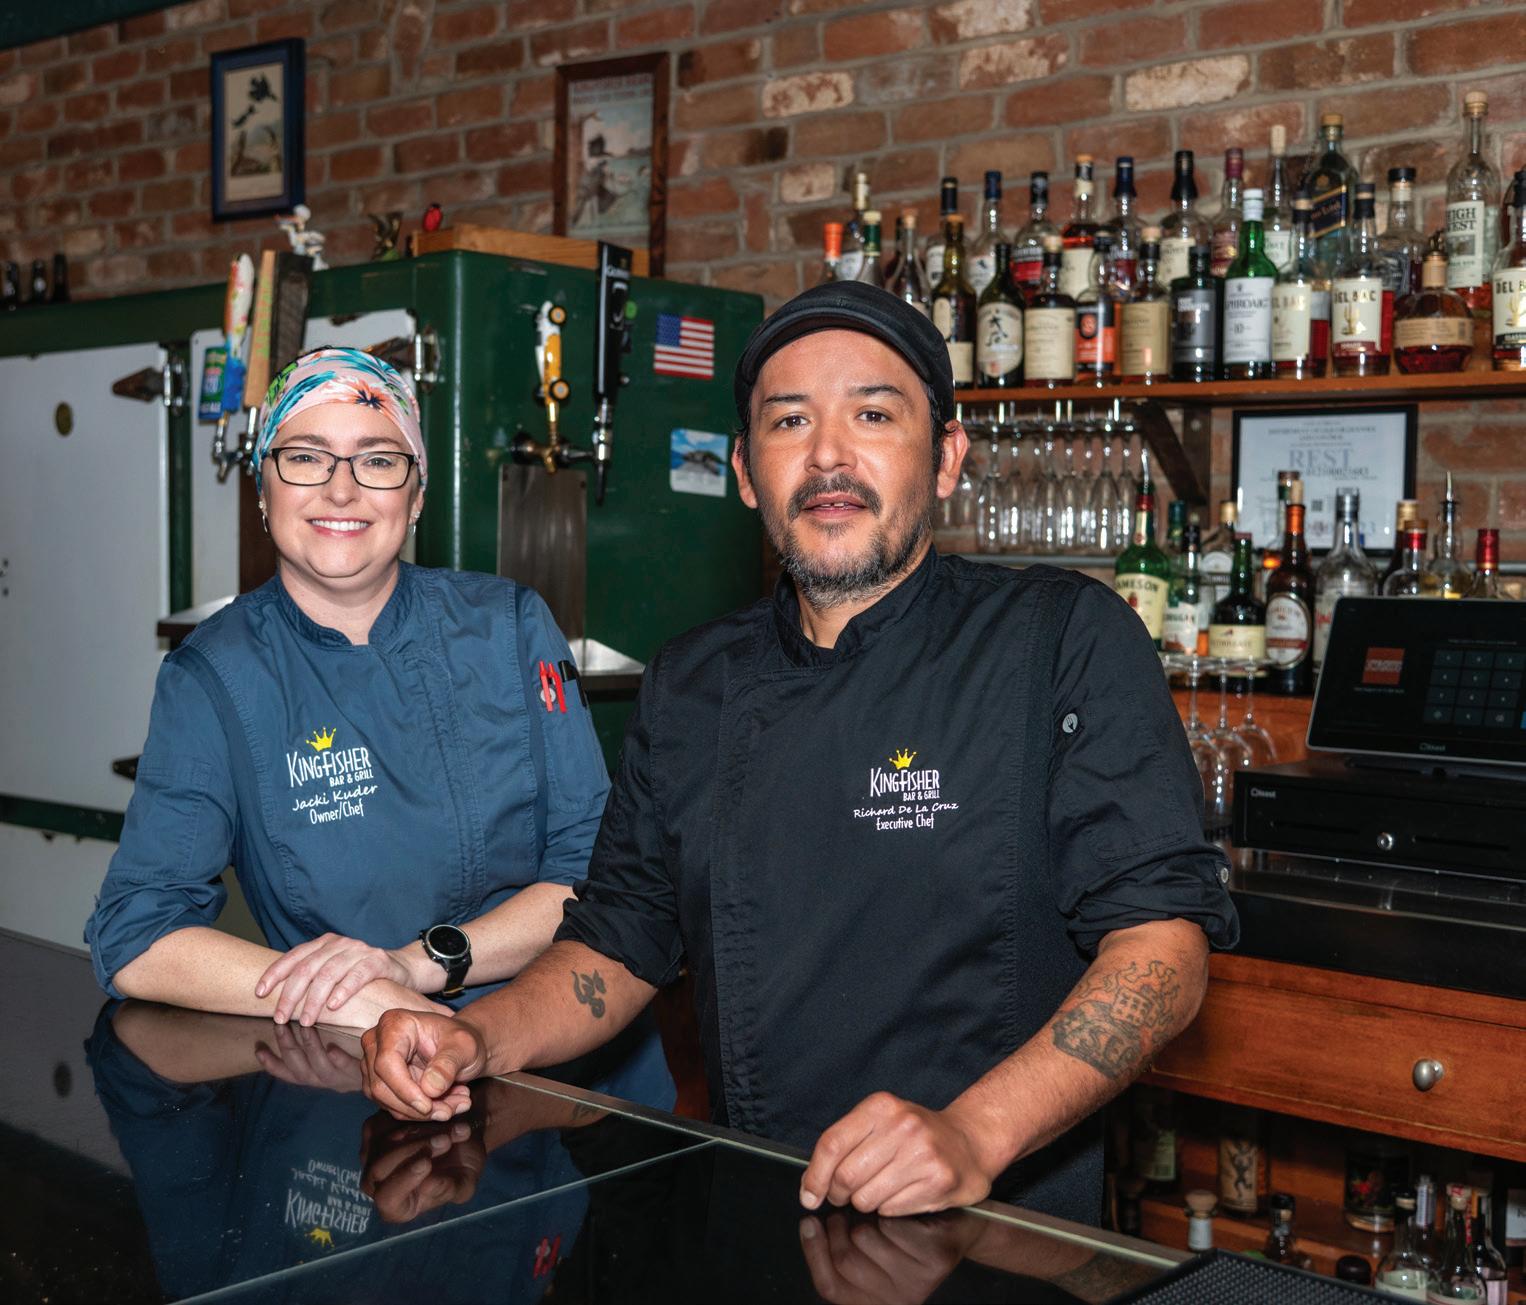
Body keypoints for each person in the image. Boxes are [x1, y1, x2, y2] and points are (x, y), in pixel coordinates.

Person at [359, 284, 1237, 1222]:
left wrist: (974, 1132)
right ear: (746, 471)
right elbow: (619, 940)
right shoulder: (692, 680)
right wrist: (477, 1037)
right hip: (759, 1216)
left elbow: (1163, 951)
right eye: (789, 420)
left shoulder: (1060, 637)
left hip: (997, 1234)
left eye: (873, 414)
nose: (827, 455)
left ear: (947, 457)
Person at [85, 347, 671, 1107]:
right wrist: (359, 996)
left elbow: (598, 878)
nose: (341, 488)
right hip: (358, 1073)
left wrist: (416, 964)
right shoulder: (214, 676)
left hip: (560, 1064)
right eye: (305, 457)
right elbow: (136, 932)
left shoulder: (511, 627)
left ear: (416, 494)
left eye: (378, 461)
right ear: (262, 487)